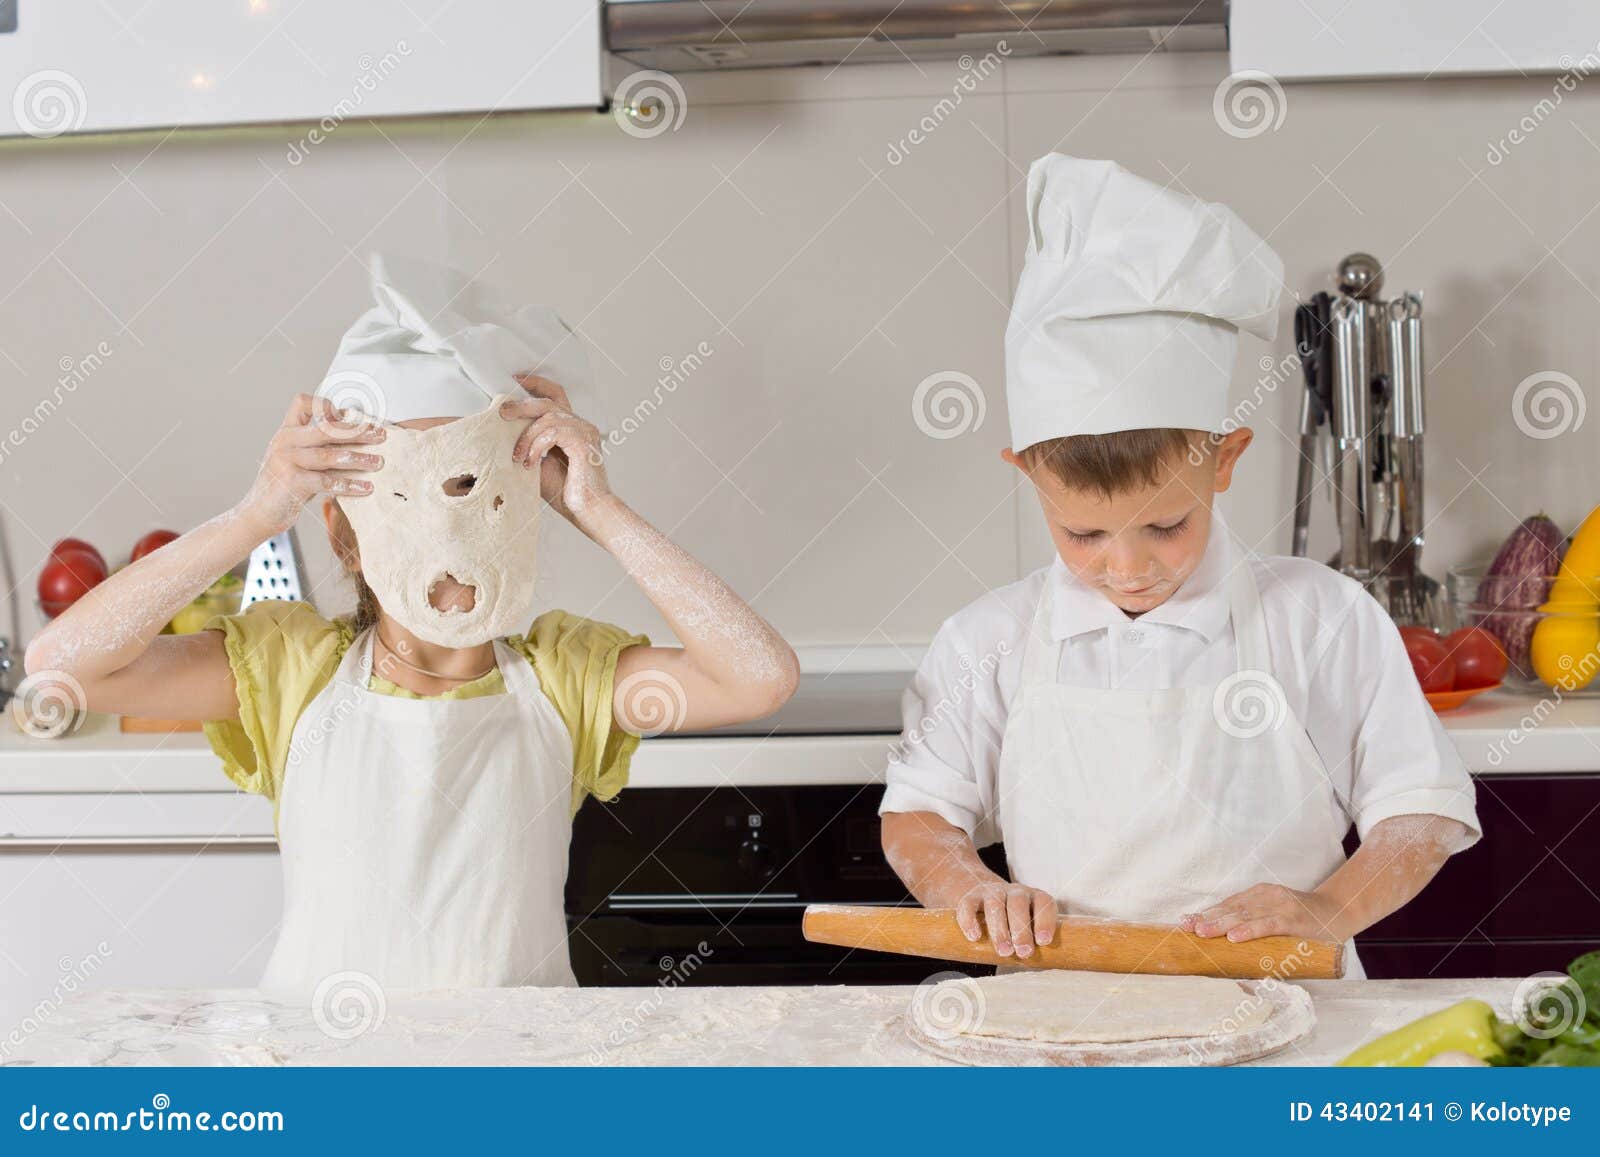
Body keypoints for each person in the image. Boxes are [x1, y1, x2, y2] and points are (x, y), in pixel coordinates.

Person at [25, 256, 799, 993]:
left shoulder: (565, 677)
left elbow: (760, 678)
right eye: (402, 499)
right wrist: (257, 511)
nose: (445, 532)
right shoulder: (292, 670)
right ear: (342, 530)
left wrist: (597, 508)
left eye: (468, 486)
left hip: (510, 1082)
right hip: (324, 1079)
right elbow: (65, 664)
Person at [879, 156, 1479, 976]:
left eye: (1165, 524)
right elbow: (918, 814)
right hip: (1065, 1039)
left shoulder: (1319, 616)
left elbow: (1419, 811)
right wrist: (967, 887)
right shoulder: (990, 636)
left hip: (1295, 1028)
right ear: (1026, 474)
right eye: (1083, 533)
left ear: (1225, 459)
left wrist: (1326, 908)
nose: (1127, 567)